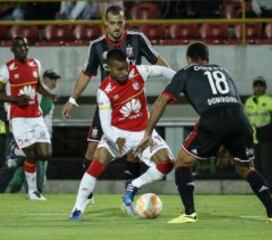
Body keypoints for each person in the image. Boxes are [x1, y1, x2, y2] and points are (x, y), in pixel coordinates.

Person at [135, 41, 272, 224]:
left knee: (182, 162)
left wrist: (148, 132)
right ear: (207, 58)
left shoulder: (186, 72)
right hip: (240, 119)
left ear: (189, 59)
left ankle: (189, 213)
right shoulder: (223, 70)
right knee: (246, 168)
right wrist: (226, 144)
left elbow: (161, 102)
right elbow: (231, 102)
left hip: (213, 119)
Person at [61, 5, 169, 205]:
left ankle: (129, 196)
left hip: (132, 107)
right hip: (108, 107)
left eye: (120, 22)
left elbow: (157, 61)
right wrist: (72, 99)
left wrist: (173, 81)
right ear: (105, 24)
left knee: (134, 153)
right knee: (92, 150)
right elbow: (87, 73)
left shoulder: (137, 39)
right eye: (112, 23)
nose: (117, 27)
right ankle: (87, 194)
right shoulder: (97, 46)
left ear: (125, 22)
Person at [69, 49, 176, 221]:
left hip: (143, 132)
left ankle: (134, 185)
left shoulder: (139, 71)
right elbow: (104, 123)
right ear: (108, 69)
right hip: (117, 133)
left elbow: (163, 71)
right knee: (98, 159)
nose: (125, 72)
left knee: (168, 163)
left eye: (126, 67)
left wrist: (179, 79)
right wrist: (114, 138)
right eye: (120, 69)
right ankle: (77, 209)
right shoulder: (103, 92)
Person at [0, 36, 57, 200]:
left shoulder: (36, 63)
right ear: (12, 49)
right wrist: (15, 99)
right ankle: (32, 192)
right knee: (31, 154)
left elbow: (37, 86)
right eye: (19, 46)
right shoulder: (6, 69)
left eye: (25, 45)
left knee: (46, 153)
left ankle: (16, 150)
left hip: (35, 115)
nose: (23, 48)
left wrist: (49, 94)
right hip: (18, 117)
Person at [244, 77, 272, 193]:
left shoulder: (271, 101)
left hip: (266, 138)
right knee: (255, 167)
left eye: (261, 85)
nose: (258, 88)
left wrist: (270, 133)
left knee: (267, 167)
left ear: (265, 87)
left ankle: (270, 191)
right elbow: (245, 119)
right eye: (256, 85)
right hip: (252, 139)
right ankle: (258, 190)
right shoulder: (249, 101)